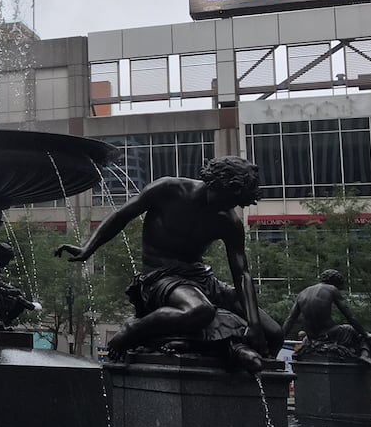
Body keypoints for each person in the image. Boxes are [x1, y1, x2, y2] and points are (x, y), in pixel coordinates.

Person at [56, 156, 283, 371]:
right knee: (200, 310)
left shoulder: (228, 221)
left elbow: (241, 273)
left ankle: (230, 369)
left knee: (274, 333)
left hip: (201, 279)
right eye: (230, 200)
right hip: (159, 278)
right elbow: (121, 216)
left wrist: (253, 323)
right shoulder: (169, 190)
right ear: (217, 184)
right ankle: (134, 329)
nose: (230, 208)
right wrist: (88, 248)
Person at [279, 270, 371, 370]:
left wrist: (279, 340)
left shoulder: (302, 293)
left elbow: (290, 320)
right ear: (335, 282)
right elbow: (350, 316)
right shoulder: (332, 289)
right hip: (329, 333)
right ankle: (365, 355)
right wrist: (365, 334)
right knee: (356, 331)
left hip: (311, 337)